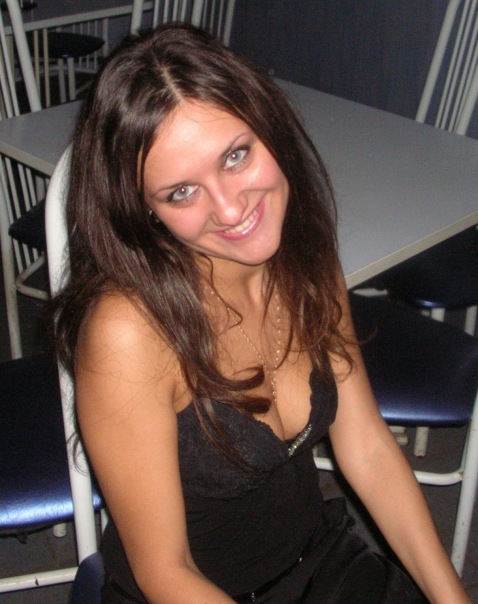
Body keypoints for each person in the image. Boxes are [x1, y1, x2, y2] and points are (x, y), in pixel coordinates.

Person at [52, 23, 471, 603]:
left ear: (269, 128)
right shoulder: (130, 332)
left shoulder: (306, 259)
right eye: (180, 192)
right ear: (144, 212)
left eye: (235, 155)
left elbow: (369, 448)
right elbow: (165, 571)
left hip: (317, 561)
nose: (230, 209)